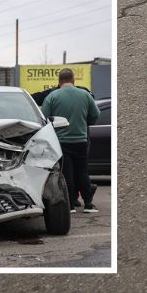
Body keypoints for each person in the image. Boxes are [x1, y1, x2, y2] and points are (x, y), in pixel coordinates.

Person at [40, 68, 100, 213]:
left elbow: (44, 119)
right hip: (81, 140)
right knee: (82, 171)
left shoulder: (52, 96)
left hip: (61, 142)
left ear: (59, 81)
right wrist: (85, 123)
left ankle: (71, 205)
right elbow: (95, 115)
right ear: (74, 80)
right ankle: (88, 204)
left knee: (67, 173)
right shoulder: (85, 95)